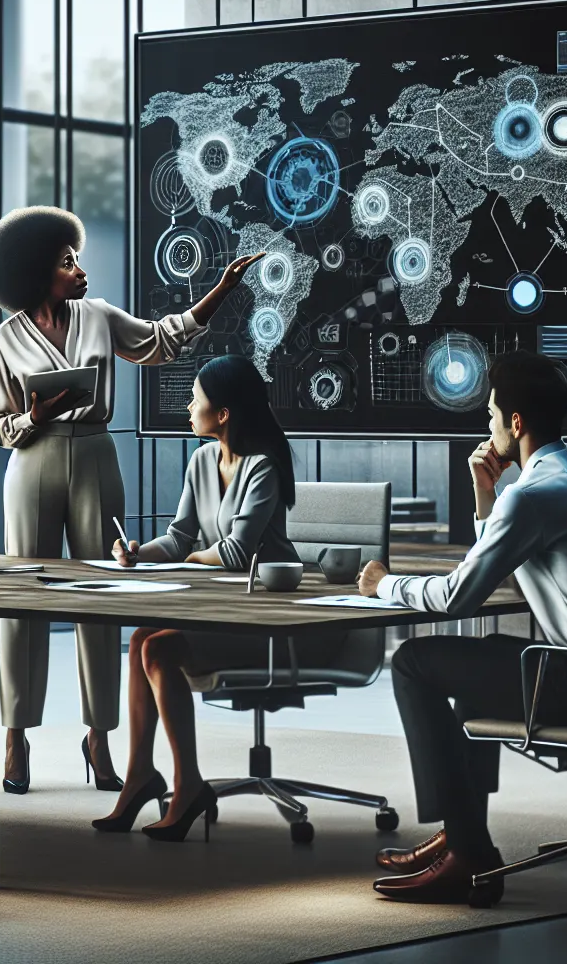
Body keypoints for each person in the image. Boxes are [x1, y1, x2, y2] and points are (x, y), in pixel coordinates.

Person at [354, 351, 567, 904]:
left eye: (492, 414)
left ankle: (468, 852)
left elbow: (458, 596)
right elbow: (509, 569)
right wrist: (485, 497)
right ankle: (464, 835)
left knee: (413, 663)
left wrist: (384, 584)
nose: (488, 426)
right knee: (487, 657)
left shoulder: (534, 495)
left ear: (515, 423)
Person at [0, 204, 264, 793]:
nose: (80, 270)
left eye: (77, 258)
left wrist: (219, 291)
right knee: (24, 599)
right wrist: (33, 418)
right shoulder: (5, 339)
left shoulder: (100, 316)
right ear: (36, 273)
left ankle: (99, 738)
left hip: (95, 455)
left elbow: (161, 341)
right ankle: (15, 735)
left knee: (100, 596)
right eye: (67, 262)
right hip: (32, 461)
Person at [95, 354, 340, 842]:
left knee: (158, 649)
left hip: (269, 622)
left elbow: (234, 553)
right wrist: (140, 554)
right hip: (222, 612)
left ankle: (187, 786)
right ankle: (141, 775)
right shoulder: (202, 461)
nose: (188, 407)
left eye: (196, 400)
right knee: (142, 638)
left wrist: (186, 558)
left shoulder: (263, 467)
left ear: (223, 413)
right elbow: (179, 538)